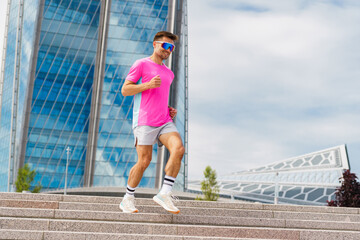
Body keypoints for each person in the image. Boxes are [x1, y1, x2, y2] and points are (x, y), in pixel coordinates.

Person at [119, 31, 185, 214]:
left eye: (172, 48)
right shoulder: (141, 64)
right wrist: (147, 84)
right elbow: (125, 90)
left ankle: (164, 193)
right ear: (155, 44)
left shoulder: (168, 73)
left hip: (164, 120)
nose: (169, 50)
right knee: (144, 161)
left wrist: (168, 109)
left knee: (179, 149)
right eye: (166, 46)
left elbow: (159, 97)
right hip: (145, 120)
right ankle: (128, 198)